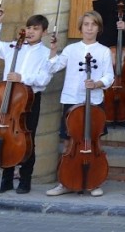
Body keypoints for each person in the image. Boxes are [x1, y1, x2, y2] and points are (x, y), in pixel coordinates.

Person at [45, 11, 114, 197]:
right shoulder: (71, 49)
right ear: (81, 28)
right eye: (86, 24)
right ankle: (65, 182)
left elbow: (109, 76)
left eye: (93, 24)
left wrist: (97, 83)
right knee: (69, 144)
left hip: (94, 102)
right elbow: (53, 67)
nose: (89, 28)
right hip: (72, 100)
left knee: (94, 142)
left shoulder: (104, 51)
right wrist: (53, 50)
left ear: (98, 28)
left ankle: (93, 182)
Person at [0, 6, 53, 194]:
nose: (31, 31)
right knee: (6, 137)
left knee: (27, 139)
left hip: (28, 101)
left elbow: (44, 79)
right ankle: (6, 179)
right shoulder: (13, 47)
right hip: (8, 99)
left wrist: (22, 78)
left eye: (36, 28)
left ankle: (25, 179)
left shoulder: (46, 54)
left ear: (44, 32)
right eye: (29, 27)